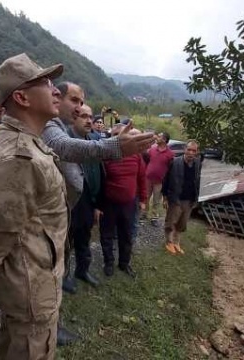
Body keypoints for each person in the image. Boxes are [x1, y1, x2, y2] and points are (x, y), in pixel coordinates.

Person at [0, 53, 68, 360]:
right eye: (46, 83)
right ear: (22, 97)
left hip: (30, 278)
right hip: (31, 284)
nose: (56, 91)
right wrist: (3, 279)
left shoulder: (22, 140)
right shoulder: (18, 155)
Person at [42, 81, 154, 345]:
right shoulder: (52, 129)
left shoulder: (60, 129)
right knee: (53, 264)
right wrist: (114, 146)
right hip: (58, 210)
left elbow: (111, 176)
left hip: (83, 203)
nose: (82, 111)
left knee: (77, 247)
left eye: (83, 105)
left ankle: (56, 313)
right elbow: (68, 149)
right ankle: (47, 327)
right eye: (76, 102)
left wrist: (134, 199)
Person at [100, 124, 147, 278]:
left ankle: (124, 263)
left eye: (119, 135)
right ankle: (108, 263)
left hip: (129, 203)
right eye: (113, 135)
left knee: (126, 234)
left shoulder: (136, 156)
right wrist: (97, 205)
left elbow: (141, 178)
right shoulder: (105, 155)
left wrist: (143, 199)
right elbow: (100, 180)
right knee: (106, 234)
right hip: (109, 203)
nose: (116, 138)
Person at [67, 104, 104, 288]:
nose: (89, 120)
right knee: (66, 241)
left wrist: (97, 205)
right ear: (73, 118)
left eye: (90, 116)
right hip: (68, 203)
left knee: (84, 238)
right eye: (84, 116)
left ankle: (82, 271)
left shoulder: (94, 142)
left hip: (88, 202)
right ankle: (63, 276)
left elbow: (100, 174)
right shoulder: (64, 141)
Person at [162, 140, 202, 254]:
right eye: (189, 149)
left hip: (189, 199)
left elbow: (197, 181)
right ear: (185, 149)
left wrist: (196, 198)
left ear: (196, 152)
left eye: (193, 151)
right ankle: (169, 242)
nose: (191, 152)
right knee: (171, 221)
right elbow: (166, 180)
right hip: (176, 198)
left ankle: (176, 242)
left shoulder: (197, 163)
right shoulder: (174, 162)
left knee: (182, 223)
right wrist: (165, 197)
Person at [144, 132, 174, 226]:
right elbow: (147, 160)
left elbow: (170, 169)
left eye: (159, 136)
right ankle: (143, 214)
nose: (156, 137)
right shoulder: (152, 149)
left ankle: (154, 218)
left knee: (157, 200)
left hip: (160, 182)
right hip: (148, 179)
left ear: (164, 140)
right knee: (146, 198)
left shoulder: (170, 154)